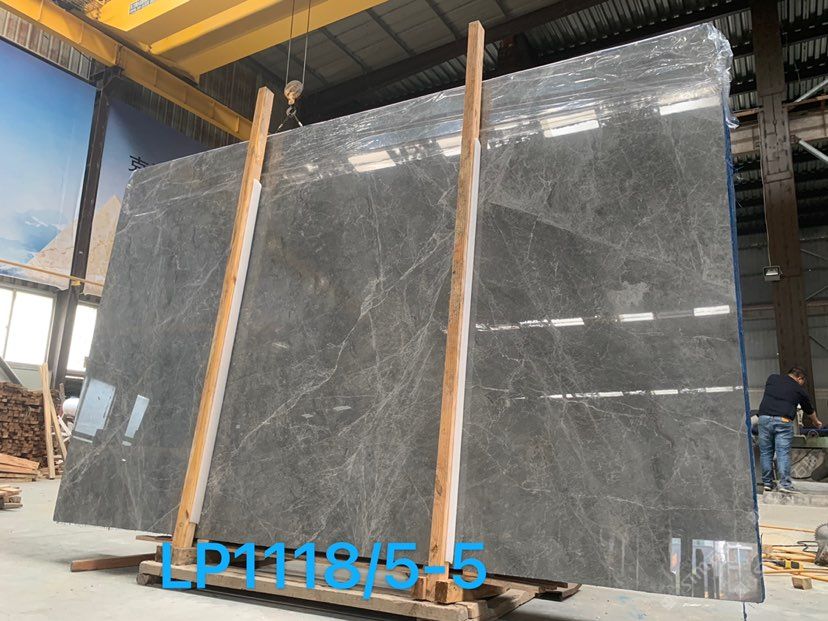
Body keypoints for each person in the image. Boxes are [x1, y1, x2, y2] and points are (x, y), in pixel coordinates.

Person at [757, 366, 823, 493]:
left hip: (764, 419)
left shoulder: (772, 378)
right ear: (799, 378)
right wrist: (816, 422)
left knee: (766, 452)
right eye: (803, 381)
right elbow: (809, 410)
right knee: (782, 453)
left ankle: (767, 483)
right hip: (783, 421)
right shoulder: (799, 390)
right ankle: (784, 485)